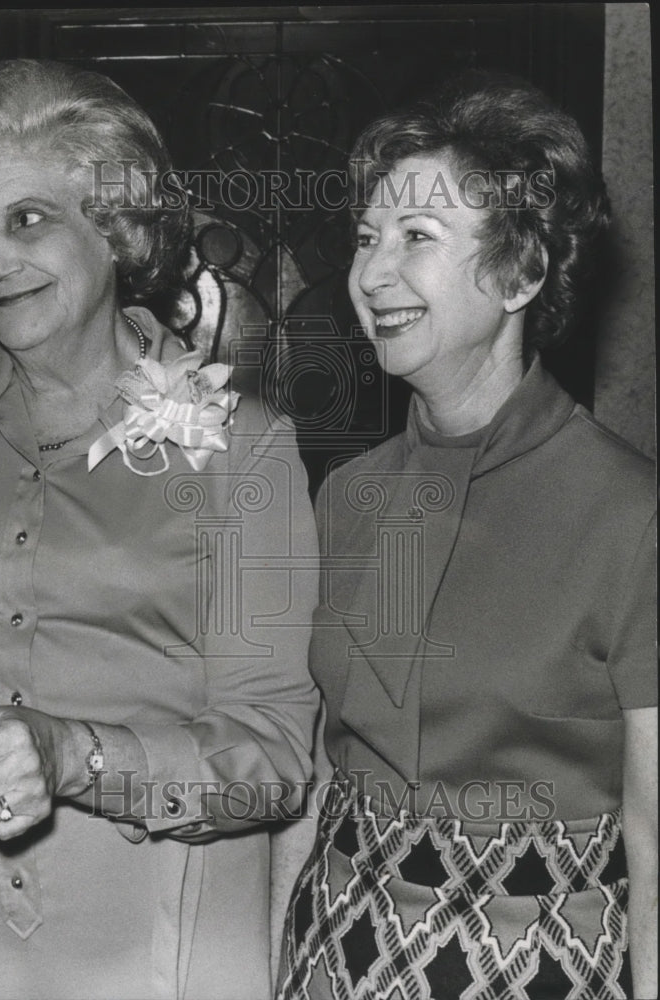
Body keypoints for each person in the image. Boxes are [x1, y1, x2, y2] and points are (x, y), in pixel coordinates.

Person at [0, 59, 320, 1000]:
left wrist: (71, 754)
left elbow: (273, 763)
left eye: (27, 220)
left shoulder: (244, 451)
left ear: (116, 226)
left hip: (153, 942)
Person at [277, 73, 657, 999]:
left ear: (522, 271)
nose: (370, 274)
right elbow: (315, 781)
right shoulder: (346, 498)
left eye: (415, 238)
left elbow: (657, 840)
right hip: (331, 961)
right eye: (365, 240)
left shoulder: (630, 514)